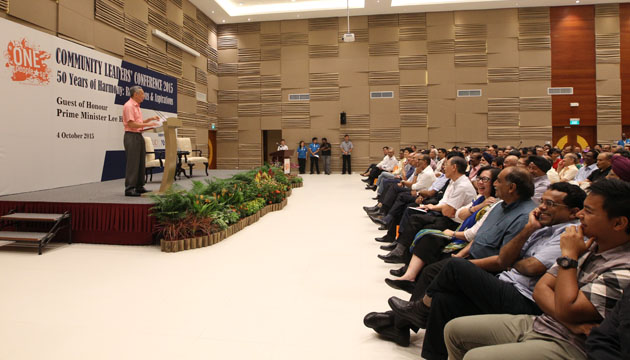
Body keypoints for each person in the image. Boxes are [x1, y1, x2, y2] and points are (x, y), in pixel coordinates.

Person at [444, 178, 630, 360]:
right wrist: (569, 321)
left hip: (572, 344)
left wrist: (568, 257)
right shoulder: (587, 244)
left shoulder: (622, 268)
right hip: (544, 322)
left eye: (588, 211)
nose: (580, 215)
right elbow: (541, 290)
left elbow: (568, 309)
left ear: (618, 223)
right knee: (454, 329)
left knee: (476, 356)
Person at [417, 183, 586, 360]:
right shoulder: (539, 227)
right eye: (542, 201)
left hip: (526, 299)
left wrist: (512, 263)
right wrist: (529, 229)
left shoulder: (569, 235)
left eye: (550, 204)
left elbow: (532, 266)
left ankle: (420, 310)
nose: (542, 207)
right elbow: (506, 257)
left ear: (573, 212)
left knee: (455, 266)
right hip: (506, 282)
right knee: (444, 300)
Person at [122, 85, 159, 197]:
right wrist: (149, 124)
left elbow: (139, 122)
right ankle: (129, 188)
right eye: (142, 94)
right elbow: (131, 124)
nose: (144, 96)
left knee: (140, 162)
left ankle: (139, 186)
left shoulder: (137, 106)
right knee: (133, 163)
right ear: (136, 94)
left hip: (138, 135)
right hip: (131, 136)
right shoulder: (129, 106)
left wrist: (150, 119)